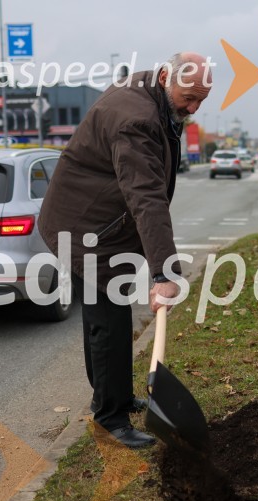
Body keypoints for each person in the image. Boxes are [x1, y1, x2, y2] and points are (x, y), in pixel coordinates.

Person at [38, 52, 212, 448]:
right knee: (108, 323)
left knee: (108, 320)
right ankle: (110, 420)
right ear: (166, 76)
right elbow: (147, 197)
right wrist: (165, 274)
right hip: (85, 229)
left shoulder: (152, 92)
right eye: (189, 97)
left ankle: (112, 395)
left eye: (202, 100)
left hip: (99, 221)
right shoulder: (138, 118)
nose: (193, 108)